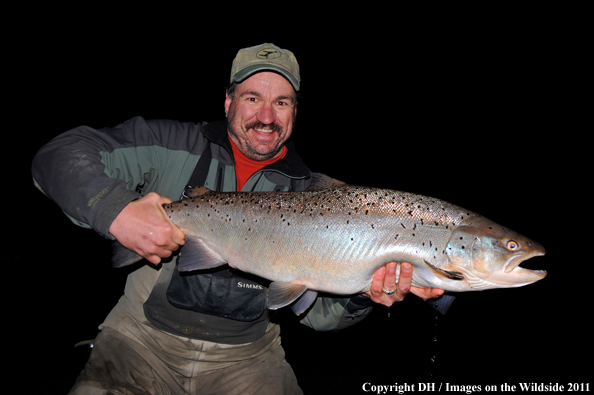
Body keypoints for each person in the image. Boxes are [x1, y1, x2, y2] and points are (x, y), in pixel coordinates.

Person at [32, 43, 445, 395]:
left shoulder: (314, 194)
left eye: (281, 102)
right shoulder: (170, 144)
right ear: (228, 101)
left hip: (248, 359)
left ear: (294, 112)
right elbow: (59, 155)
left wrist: (362, 295)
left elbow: (321, 316)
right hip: (138, 340)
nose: (267, 116)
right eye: (252, 98)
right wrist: (116, 211)